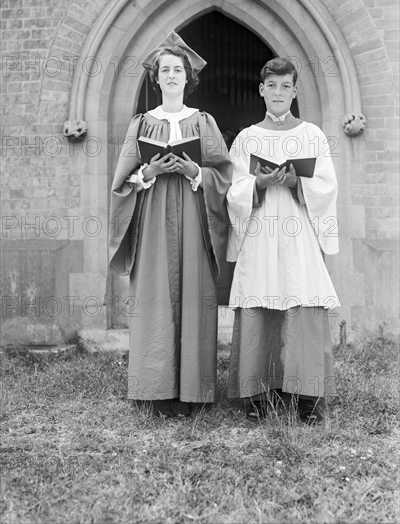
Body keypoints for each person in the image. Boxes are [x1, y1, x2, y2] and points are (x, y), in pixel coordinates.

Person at [109, 31, 232, 418]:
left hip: (195, 213)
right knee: (155, 294)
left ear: (187, 78)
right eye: (166, 70)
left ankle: (193, 392)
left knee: (195, 292)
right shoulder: (142, 124)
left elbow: (225, 175)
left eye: (178, 70)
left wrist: (197, 170)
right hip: (153, 216)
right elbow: (120, 184)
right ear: (157, 78)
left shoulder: (204, 122)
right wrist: (147, 171)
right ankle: (154, 390)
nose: (172, 75)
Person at [226, 58, 339, 424]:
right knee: (261, 292)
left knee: (300, 291)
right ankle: (259, 394)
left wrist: (295, 183)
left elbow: (327, 186)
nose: (278, 93)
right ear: (261, 89)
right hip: (260, 229)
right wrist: (258, 183)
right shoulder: (247, 138)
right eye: (271, 86)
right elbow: (233, 191)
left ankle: (306, 397)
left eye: (285, 86)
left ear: (294, 90)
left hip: (297, 228)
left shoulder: (312, 135)